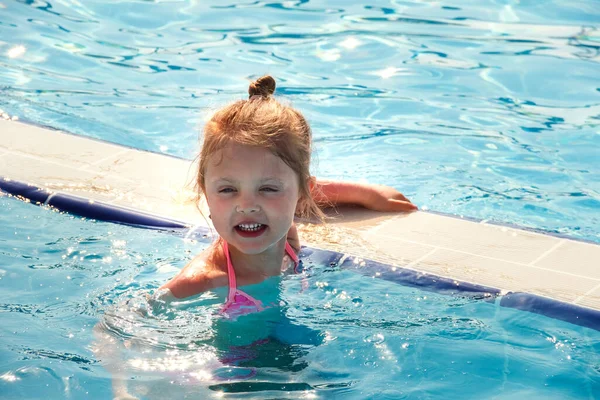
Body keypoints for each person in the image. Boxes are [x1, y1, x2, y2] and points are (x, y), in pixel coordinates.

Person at [157, 75, 416, 312]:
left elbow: (303, 189)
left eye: (267, 189)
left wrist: (365, 194)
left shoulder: (285, 237)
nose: (247, 205)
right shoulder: (200, 283)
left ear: (302, 194)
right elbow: (129, 322)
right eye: (227, 190)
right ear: (206, 194)